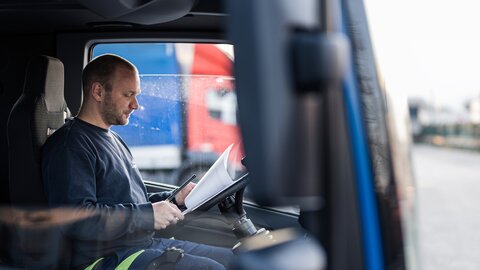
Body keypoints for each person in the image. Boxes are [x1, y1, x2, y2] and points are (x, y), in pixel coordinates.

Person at [42, 54, 234, 270]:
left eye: (137, 95)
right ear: (98, 91)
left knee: (237, 260)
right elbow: (76, 220)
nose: (136, 105)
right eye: (128, 95)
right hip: (104, 259)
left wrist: (174, 199)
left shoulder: (112, 138)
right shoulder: (71, 145)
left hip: (140, 245)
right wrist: (147, 215)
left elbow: (127, 200)